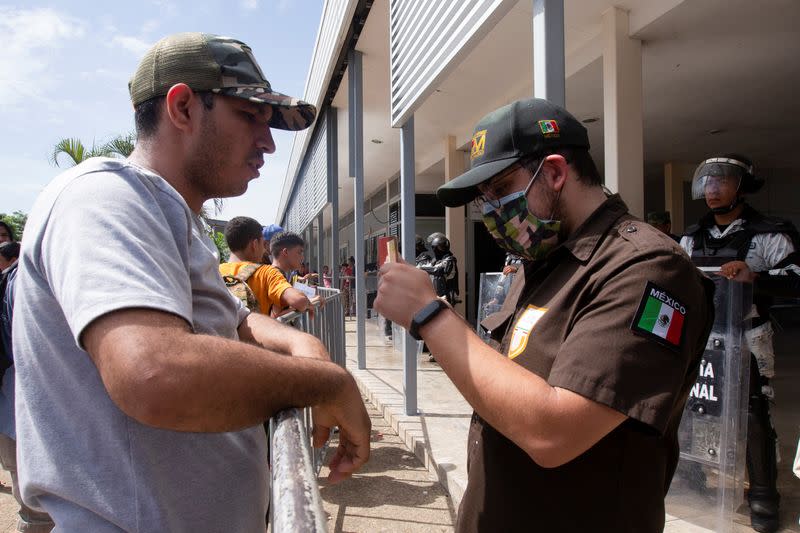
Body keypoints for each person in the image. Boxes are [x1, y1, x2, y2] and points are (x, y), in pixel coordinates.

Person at [12, 32, 370, 531]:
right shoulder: (104, 196)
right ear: (182, 107)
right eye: (250, 117)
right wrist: (324, 383)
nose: (267, 141)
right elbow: (153, 373)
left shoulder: (176, 217)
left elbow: (236, 321)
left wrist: (300, 342)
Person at [374, 97, 715, 532]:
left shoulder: (647, 268)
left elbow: (553, 433)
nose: (491, 210)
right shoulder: (542, 261)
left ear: (554, 173)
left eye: (499, 190)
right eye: (484, 198)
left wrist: (430, 315)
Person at [680, 154, 800, 533]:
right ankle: (695, 475)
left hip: (747, 334)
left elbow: (796, 277)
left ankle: (763, 496)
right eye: (707, 183)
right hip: (702, 335)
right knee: (696, 404)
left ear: (742, 186)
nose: (712, 190)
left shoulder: (769, 233)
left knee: (752, 411)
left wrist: (756, 278)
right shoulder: (691, 236)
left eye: (722, 182)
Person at [0, 242, 54, 533]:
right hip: (22, 414)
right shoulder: (26, 280)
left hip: (18, 412)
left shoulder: (19, 278)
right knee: (38, 511)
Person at [219, 216, 314, 316]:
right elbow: (299, 300)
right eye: (262, 244)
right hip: (255, 331)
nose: (264, 250)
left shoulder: (213, 271)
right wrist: (309, 302)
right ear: (254, 244)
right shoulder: (267, 272)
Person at [270, 231, 322, 316]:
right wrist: (309, 302)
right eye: (299, 252)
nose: (302, 257)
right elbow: (275, 317)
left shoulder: (274, 272)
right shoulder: (274, 275)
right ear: (285, 252)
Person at [418, 232, 459, 306]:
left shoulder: (450, 259)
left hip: (447, 295)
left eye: (437, 248)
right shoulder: (436, 260)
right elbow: (428, 267)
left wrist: (421, 268)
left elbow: (439, 270)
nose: (435, 250)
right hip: (436, 296)